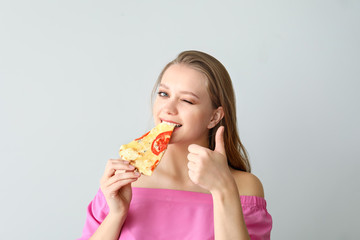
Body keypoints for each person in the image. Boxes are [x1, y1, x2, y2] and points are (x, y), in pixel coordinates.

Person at [78, 50, 272, 240]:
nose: (168, 109)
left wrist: (224, 190)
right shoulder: (123, 181)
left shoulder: (244, 187)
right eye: (163, 94)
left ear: (214, 117)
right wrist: (116, 215)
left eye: (187, 100)